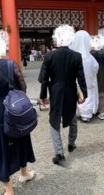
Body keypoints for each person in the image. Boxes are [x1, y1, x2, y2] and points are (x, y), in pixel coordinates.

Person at [0, 29, 35, 195]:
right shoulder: (11, 65)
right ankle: (24, 173)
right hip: (13, 109)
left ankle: (9, 189)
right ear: (3, 47)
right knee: (20, 137)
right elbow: (23, 88)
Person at [39, 25, 87, 165]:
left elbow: (44, 79)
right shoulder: (76, 56)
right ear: (70, 39)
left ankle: (59, 153)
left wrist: (43, 95)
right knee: (72, 117)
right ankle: (71, 144)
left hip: (55, 90)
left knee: (54, 120)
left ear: (57, 39)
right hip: (71, 89)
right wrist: (84, 94)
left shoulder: (49, 56)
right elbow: (81, 78)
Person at [70, 30, 99, 122]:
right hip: (89, 80)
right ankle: (86, 115)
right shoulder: (90, 57)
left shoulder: (73, 56)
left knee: (76, 95)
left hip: (76, 81)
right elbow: (96, 68)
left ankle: (76, 112)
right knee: (88, 96)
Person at [90, 34, 104, 120]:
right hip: (103, 76)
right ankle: (102, 112)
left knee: (93, 94)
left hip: (93, 76)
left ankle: (94, 111)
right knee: (102, 94)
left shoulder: (91, 53)